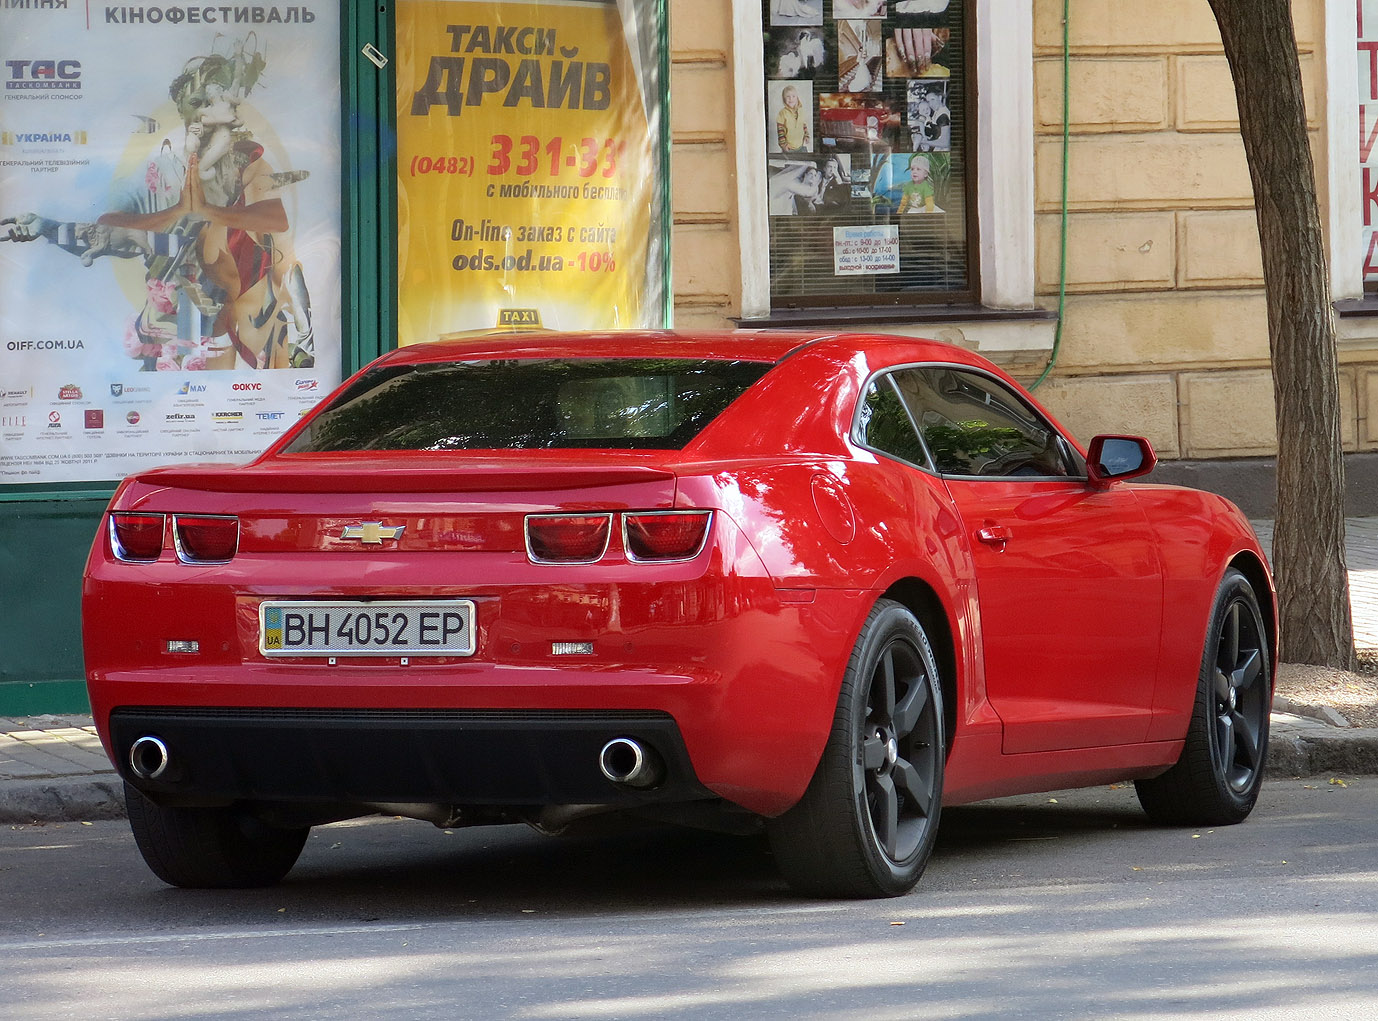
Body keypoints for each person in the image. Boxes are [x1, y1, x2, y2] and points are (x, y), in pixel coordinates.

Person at [776, 85, 811, 152]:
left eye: (793, 96)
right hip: (788, 148)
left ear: (797, 98)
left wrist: (806, 135)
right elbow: (780, 131)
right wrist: (783, 144)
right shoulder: (782, 113)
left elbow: (803, 125)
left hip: (801, 146)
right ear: (784, 99)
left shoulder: (801, 111)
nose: (791, 99)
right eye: (788, 96)